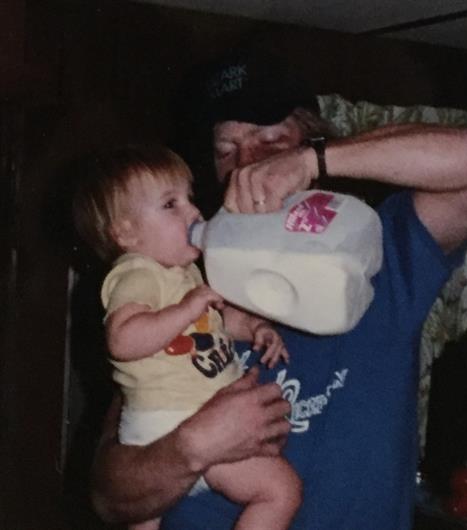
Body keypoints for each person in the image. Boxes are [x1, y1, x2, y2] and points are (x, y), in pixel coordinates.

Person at [89, 51, 467, 529]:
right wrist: (193, 446)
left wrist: (313, 161)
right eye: (226, 150)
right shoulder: (182, 285)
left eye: (271, 140)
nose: (247, 166)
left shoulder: (375, 257)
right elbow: (111, 494)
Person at [72, 144, 301, 530]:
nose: (193, 212)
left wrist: (256, 330)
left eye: (189, 198)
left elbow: (215, 324)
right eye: (170, 204)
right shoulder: (137, 273)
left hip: (182, 422)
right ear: (126, 233)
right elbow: (123, 340)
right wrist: (188, 308)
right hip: (168, 419)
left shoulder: (184, 274)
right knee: (281, 491)